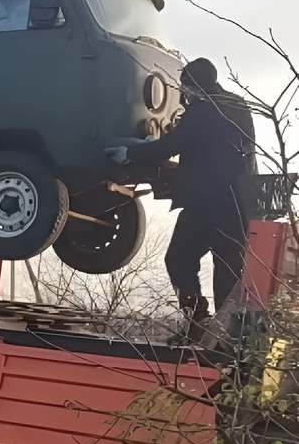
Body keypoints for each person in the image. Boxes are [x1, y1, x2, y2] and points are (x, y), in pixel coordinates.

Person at [106, 57, 256, 321]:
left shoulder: (204, 111)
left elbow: (173, 145)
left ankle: (197, 317)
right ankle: (226, 337)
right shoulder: (237, 105)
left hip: (207, 204)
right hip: (240, 204)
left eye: (185, 89)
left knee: (178, 259)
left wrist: (130, 152)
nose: (184, 95)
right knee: (229, 271)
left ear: (192, 87)